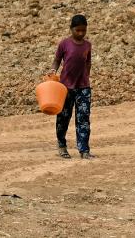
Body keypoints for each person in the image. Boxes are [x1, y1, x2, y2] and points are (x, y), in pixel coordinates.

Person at [50, 14, 95, 160]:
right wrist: (52, 71)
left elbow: (88, 62)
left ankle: (84, 150)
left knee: (83, 118)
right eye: (78, 30)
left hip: (83, 88)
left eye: (83, 30)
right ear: (71, 29)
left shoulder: (87, 45)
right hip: (65, 87)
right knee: (63, 117)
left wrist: (86, 77)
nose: (81, 33)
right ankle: (62, 146)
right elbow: (57, 60)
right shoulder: (64, 44)